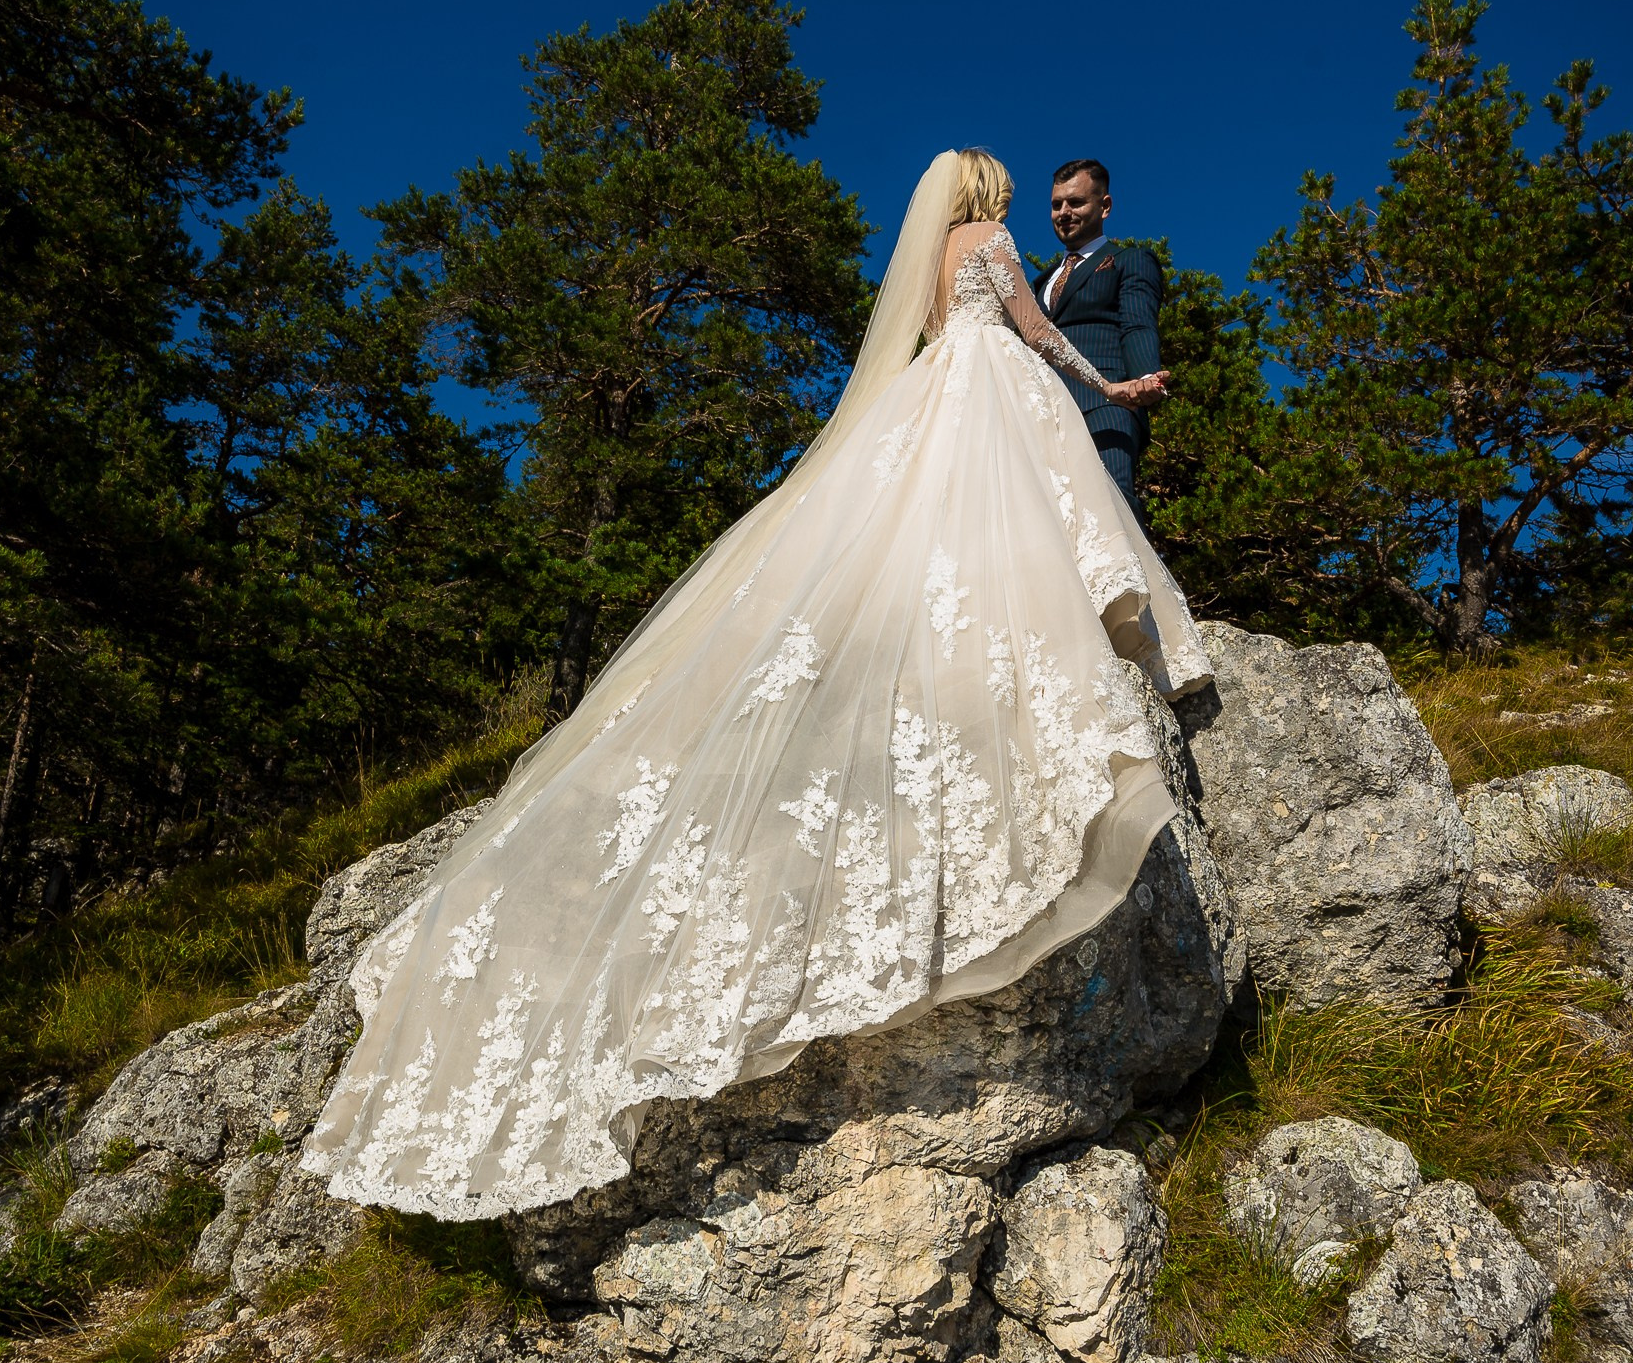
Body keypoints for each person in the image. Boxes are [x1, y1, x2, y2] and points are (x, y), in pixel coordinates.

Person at [300, 150, 1213, 1226]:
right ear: (988, 198)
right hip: (996, 389)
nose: (1018, 204)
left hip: (935, 390)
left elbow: (927, 337)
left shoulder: (927, 262)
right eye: (1009, 190)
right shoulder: (995, 247)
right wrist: (1099, 383)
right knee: (1013, 519)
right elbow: (1031, 329)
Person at [1032, 158, 1165, 514]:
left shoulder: (1129, 260)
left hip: (1106, 406)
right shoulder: (1037, 284)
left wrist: (1144, 378)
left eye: (1075, 203)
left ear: (1104, 206)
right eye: (1056, 204)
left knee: (1111, 511)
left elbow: (1137, 323)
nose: (1063, 212)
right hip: (1039, 418)